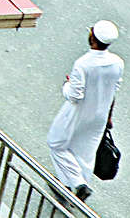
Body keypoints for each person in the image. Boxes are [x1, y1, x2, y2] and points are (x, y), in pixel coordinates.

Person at [45, 20, 124, 201]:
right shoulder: (117, 63)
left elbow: (74, 95)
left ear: (92, 38)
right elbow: (113, 90)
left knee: (56, 143)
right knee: (85, 153)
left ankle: (78, 183)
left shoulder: (83, 64)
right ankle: (73, 187)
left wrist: (67, 84)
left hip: (77, 114)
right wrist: (109, 116)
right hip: (100, 115)